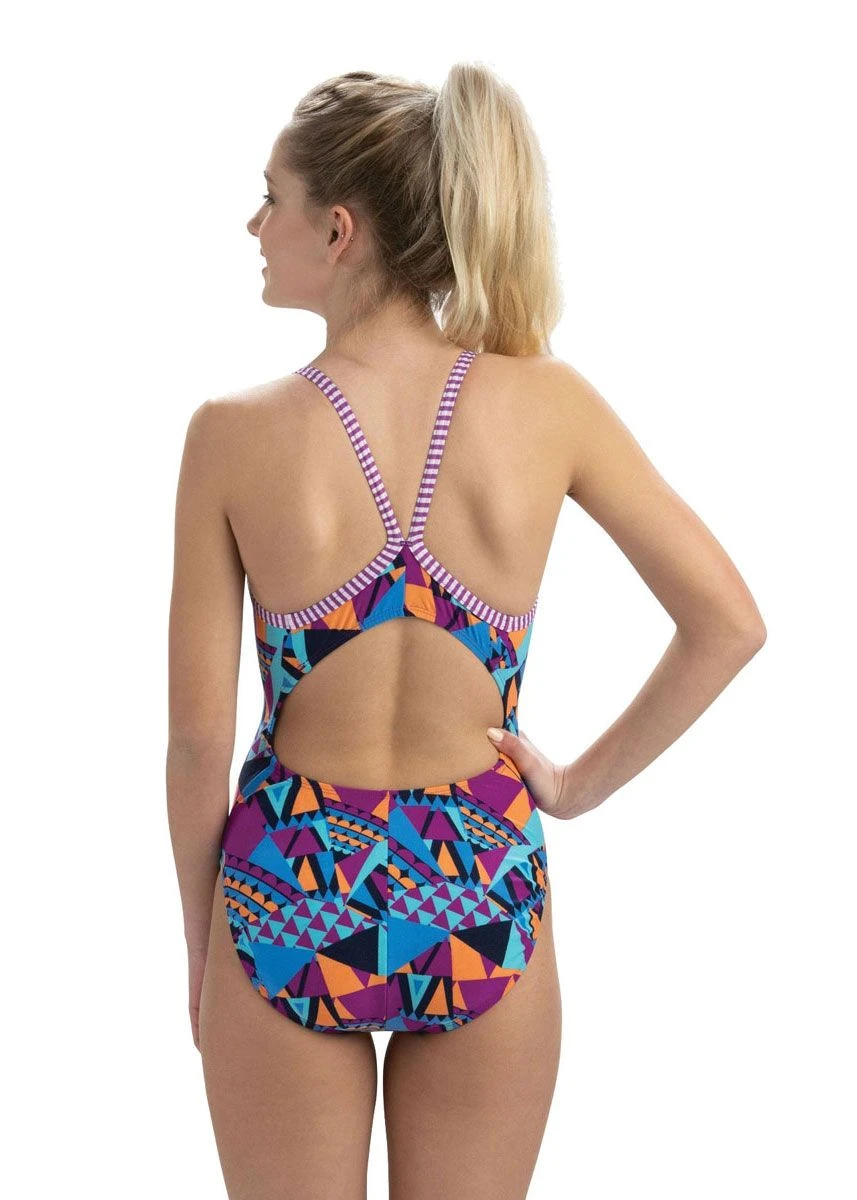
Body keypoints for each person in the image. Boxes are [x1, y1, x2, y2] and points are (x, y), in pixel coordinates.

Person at [166, 63, 766, 1200]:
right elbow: (726, 622)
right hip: (478, 879)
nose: (254, 225)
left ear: (338, 229)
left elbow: (197, 741)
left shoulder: (231, 434)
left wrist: (205, 943)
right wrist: (572, 788)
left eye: (271, 198)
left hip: (288, 883)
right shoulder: (548, 406)